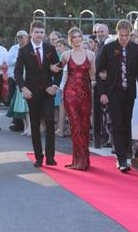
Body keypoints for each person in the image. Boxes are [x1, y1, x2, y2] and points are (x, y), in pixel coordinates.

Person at [97, 19, 138, 173]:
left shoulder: (136, 49)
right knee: (117, 124)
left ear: (130, 34)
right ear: (117, 33)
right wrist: (102, 93)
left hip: (129, 92)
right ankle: (121, 159)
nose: (124, 38)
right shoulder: (109, 48)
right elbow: (99, 71)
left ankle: (127, 153)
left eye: (127, 35)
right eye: (121, 35)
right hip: (113, 92)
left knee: (126, 123)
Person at [14, 21, 63, 168]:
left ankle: (50, 157)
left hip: (48, 92)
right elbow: (17, 72)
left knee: (49, 122)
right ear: (31, 33)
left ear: (44, 34)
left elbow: (59, 68)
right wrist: (23, 88)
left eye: (42, 32)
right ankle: (38, 157)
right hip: (32, 93)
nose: (39, 35)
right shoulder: (24, 50)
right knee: (35, 125)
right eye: (36, 32)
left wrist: (55, 86)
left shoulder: (50, 48)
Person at [54, 27, 96, 170]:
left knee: (84, 126)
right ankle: (78, 160)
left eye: (79, 36)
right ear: (70, 40)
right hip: (70, 94)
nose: (77, 39)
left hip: (85, 94)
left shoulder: (90, 55)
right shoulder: (65, 55)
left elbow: (93, 76)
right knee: (75, 126)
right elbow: (57, 70)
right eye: (74, 37)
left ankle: (84, 160)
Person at [7, 30, 29, 132]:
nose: (20, 39)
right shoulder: (13, 48)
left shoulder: (30, 48)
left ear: (27, 37)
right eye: (19, 37)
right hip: (13, 79)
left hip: (26, 79)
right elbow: (8, 61)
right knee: (14, 101)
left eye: (22, 37)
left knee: (26, 103)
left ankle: (25, 126)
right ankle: (16, 122)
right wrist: (19, 59)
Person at [55, 38, 69, 137]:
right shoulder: (62, 56)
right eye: (57, 46)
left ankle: (62, 130)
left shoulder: (67, 55)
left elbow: (61, 69)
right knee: (62, 108)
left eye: (60, 46)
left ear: (65, 46)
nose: (58, 48)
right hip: (62, 84)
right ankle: (61, 129)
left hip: (66, 85)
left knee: (65, 109)